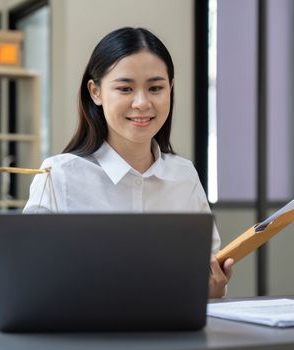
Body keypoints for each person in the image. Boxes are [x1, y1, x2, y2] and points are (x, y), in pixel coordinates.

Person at [23, 27, 234, 298]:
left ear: (170, 89)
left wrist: (212, 291)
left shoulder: (184, 175)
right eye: (125, 88)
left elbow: (206, 273)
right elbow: (31, 282)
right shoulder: (57, 175)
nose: (142, 103)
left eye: (156, 88)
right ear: (95, 92)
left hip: (174, 335)